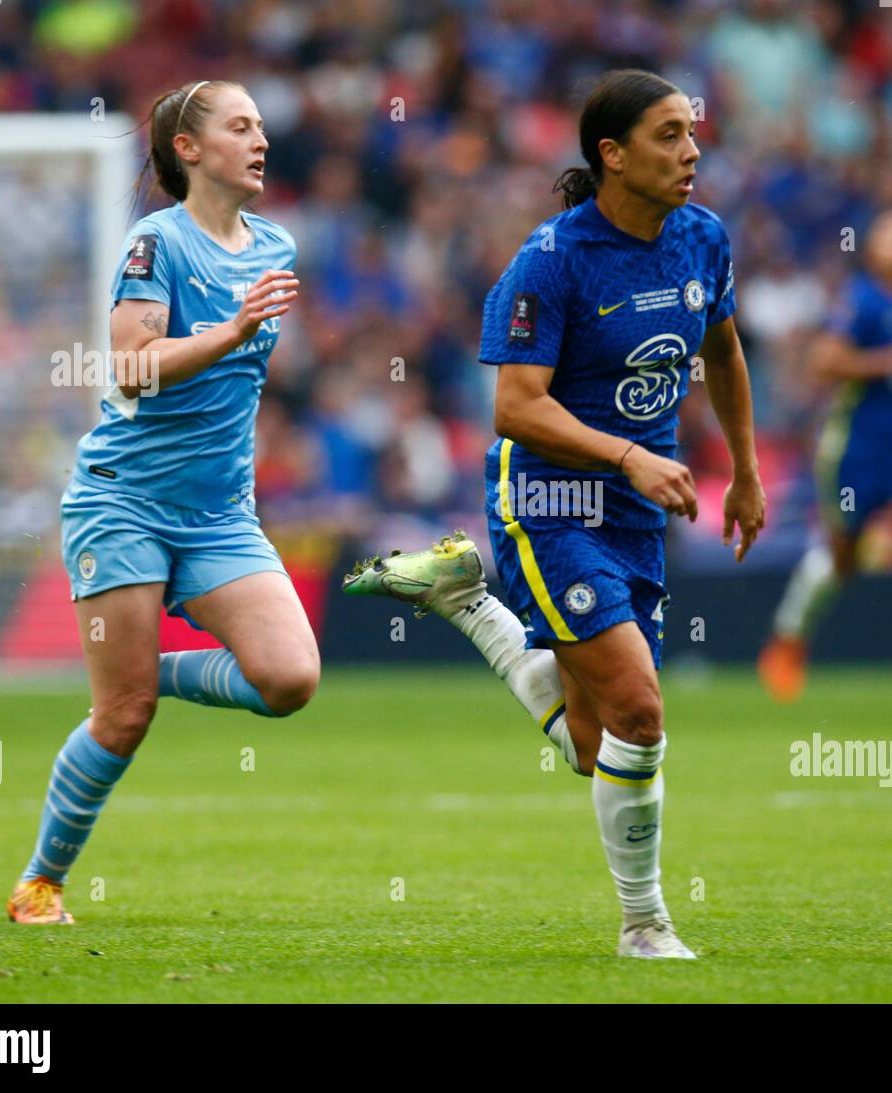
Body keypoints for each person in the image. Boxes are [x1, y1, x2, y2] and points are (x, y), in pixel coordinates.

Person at [344, 69, 765, 958]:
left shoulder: (702, 238)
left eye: (691, 133)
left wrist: (749, 472)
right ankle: (645, 923)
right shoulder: (553, 260)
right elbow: (515, 407)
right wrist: (628, 454)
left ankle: (465, 600)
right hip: (549, 499)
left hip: (636, 510)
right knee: (642, 717)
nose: (691, 152)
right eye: (667, 135)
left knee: (592, 744)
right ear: (611, 155)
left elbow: (723, 349)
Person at [7, 80, 321, 924]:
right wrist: (229, 333)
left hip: (220, 512)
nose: (261, 139)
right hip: (125, 502)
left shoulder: (277, 244)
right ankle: (42, 881)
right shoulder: (157, 242)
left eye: (263, 124)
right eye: (241, 125)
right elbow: (130, 365)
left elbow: (243, 379)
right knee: (122, 715)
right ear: (189, 148)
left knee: (290, 679)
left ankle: (158, 673)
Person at [758, 209, 892, 721]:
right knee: (844, 558)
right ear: (873, 251)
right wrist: (887, 360)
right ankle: (788, 638)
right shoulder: (861, 300)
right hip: (857, 445)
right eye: (891, 239)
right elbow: (823, 361)